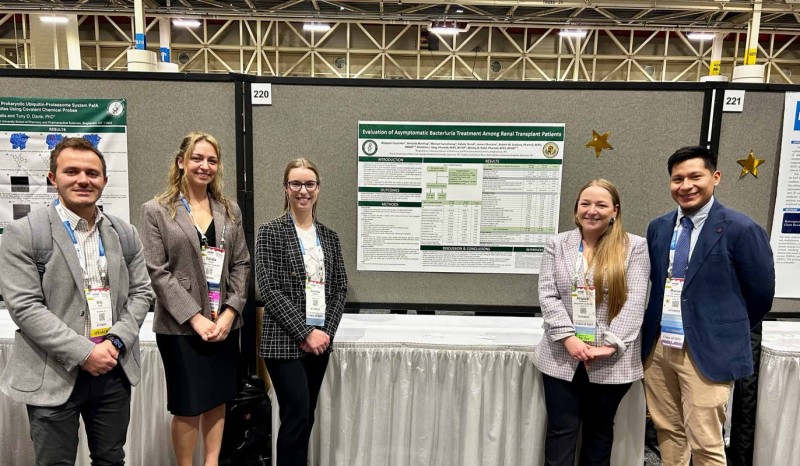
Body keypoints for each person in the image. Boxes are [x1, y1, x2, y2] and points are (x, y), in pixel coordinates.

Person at [0, 137, 154, 465]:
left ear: (104, 181)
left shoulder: (124, 233)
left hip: (113, 370)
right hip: (52, 370)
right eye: (72, 171)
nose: (83, 179)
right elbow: (25, 306)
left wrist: (114, 342)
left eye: (92, 173)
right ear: (53, 178)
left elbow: (142, 293)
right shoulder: (24, 233)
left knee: (111, 459)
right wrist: (85, 353)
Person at [642, 145, 775, 466]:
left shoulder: (741, 229)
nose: (685, 186)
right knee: (667, 430)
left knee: (705, 439)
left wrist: (720, 326)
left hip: (707, 349)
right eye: (677, 179)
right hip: (660, 347)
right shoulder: (658, 227)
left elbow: (760, 295)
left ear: (715, 177)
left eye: (694, 176)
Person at [141, 132, 250, 466]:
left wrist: (230, 313)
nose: (205, 166)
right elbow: (157, 271)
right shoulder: (157, 210)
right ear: (181, 162)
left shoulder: (229, 210)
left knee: (218, 398)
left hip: (223, 325)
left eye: (212, 160)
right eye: (197, 158)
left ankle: (212, 462)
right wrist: (195, 317)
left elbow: (242, 264)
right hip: (180, 329)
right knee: (188, 405)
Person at [534, 178, 649, 466]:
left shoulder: (634, 246)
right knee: (561, 431)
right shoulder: (557, 244)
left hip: (612, 359)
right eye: (586, 203)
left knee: (599, 432)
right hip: (562, 355)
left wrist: (609, 346)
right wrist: (569, 339)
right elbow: (548, 293)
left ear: (615, 211)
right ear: (576, 209)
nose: (592, 210)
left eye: (601, 204)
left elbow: (635, 300)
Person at [255, 158, 348, 466]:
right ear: (286, 188)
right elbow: (269, 289)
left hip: (320, 341)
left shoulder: (330, 238)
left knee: (306, 415)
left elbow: (339, 289)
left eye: (310, 184)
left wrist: (325, 334)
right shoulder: (270, 232)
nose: (303, 191)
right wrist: (305, 332)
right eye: (296, 184)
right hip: (284, 342)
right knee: (295, 414)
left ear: (318, 190)